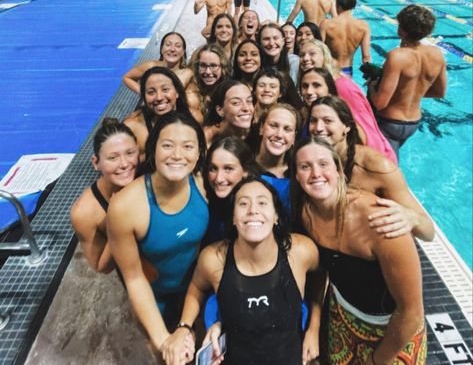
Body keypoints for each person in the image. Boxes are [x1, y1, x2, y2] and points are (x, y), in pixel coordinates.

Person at [292, 137, 426, 365]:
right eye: (305, 166)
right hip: (342, 319)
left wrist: (377, 361)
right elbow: (321, 272)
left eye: (323, 164)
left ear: (339, 171)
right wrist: (314, 327)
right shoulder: (308, 213)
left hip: (393, 331)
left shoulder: (380, 221)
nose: (316, 173)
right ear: (297, 176)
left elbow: (411, 313)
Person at [162, 177, 322, 365]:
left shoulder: (301, 251)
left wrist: (314, 328)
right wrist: (185, 326)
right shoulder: (214, 259)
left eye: (262, 203)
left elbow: (320, 278)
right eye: (243, 203)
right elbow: (196, 287)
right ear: (233, 218)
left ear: (276, 215)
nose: (253, 210)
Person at [107, 112, 208, 361]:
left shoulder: (205, 185)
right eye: (167, 145)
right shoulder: (125, 207)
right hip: (155, 297)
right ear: (152, 150)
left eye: (187, 147)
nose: (177, 155)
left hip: (198, 291)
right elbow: (133, 278)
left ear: (198, 153)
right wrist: (164, 341)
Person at [308, 96, 434, 241]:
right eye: (313, 121)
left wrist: (411, 218)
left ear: (347, 127)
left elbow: (428, 232)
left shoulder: (376, 167)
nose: (318, 128)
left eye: (328, 121)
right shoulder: (312, 160)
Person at [368, 5, 447, 158]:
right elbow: (439, 92)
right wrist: (412, 93)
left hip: (389, 122)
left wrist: (372, 86)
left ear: (401, 30)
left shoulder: (396, 56)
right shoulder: (437, 54)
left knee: (384, 170)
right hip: (413, 122)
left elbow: (380, 103)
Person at [298, 39, 396, 162]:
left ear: (325, 56)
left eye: (312, 54)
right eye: (301, 55)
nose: (305, 58)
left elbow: (366, 130)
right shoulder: (314, 89)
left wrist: (372, 166)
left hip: (373, 161)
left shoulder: (342, 87)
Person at [70, 118, 139, 273]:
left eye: (130, 153)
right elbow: (102, 267)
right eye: (112, 157)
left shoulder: (146, 177)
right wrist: (117, 224)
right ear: (96, 163)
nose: (124, 164)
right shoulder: (84, 212)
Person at [202, 136, 260, 245]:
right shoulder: (204, 201)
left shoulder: (262, 200)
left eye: (228, 169)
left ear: (246, 171)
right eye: (213, 168)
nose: (219, 178)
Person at [124, 67, 190, 158]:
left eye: (165, 89)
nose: (159, 97)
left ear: (177, 92)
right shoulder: (134, 128)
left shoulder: (193, 119)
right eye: (151, 92)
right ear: (144, 96)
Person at [255, 103, 300, 212]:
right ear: (261, 128)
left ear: (294, 137)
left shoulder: (298, 174)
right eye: (273, 125)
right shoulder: (242, 166)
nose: (279, 134)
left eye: (287, 129)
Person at [320, 0, 371, 76]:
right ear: (354, 6)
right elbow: (366, 57)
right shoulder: (363, 27)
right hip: (347, 71)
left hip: (330, 70)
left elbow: (318, 50)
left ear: (337, 5)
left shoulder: (326, 24)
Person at [123, 32, 193, 93]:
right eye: (168, 45)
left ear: (183, 52)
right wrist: (143, 93)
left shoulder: (187, 73)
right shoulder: (150, 66)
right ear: (161, 49)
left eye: (178, 46)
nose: (172, 49)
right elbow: (127, 77)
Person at [186, 44, 231, 125]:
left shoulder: (230, 91)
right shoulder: (191, 93)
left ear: (223, 67)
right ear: (197, 67)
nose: (208, 72)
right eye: (203, 66)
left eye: (213, 66)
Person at [204, 80, 254, 146]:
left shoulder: (258, 133)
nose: (246, 108)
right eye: (236, 103)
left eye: (249, 101)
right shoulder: (205, 139)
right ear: (220, 110)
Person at [257, 22, 301, 92]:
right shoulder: (255, 64)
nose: (271, 43)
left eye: (275, 38)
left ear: (283, 41)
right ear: (260, 42)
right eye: (266, 39)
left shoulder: (294, 62)